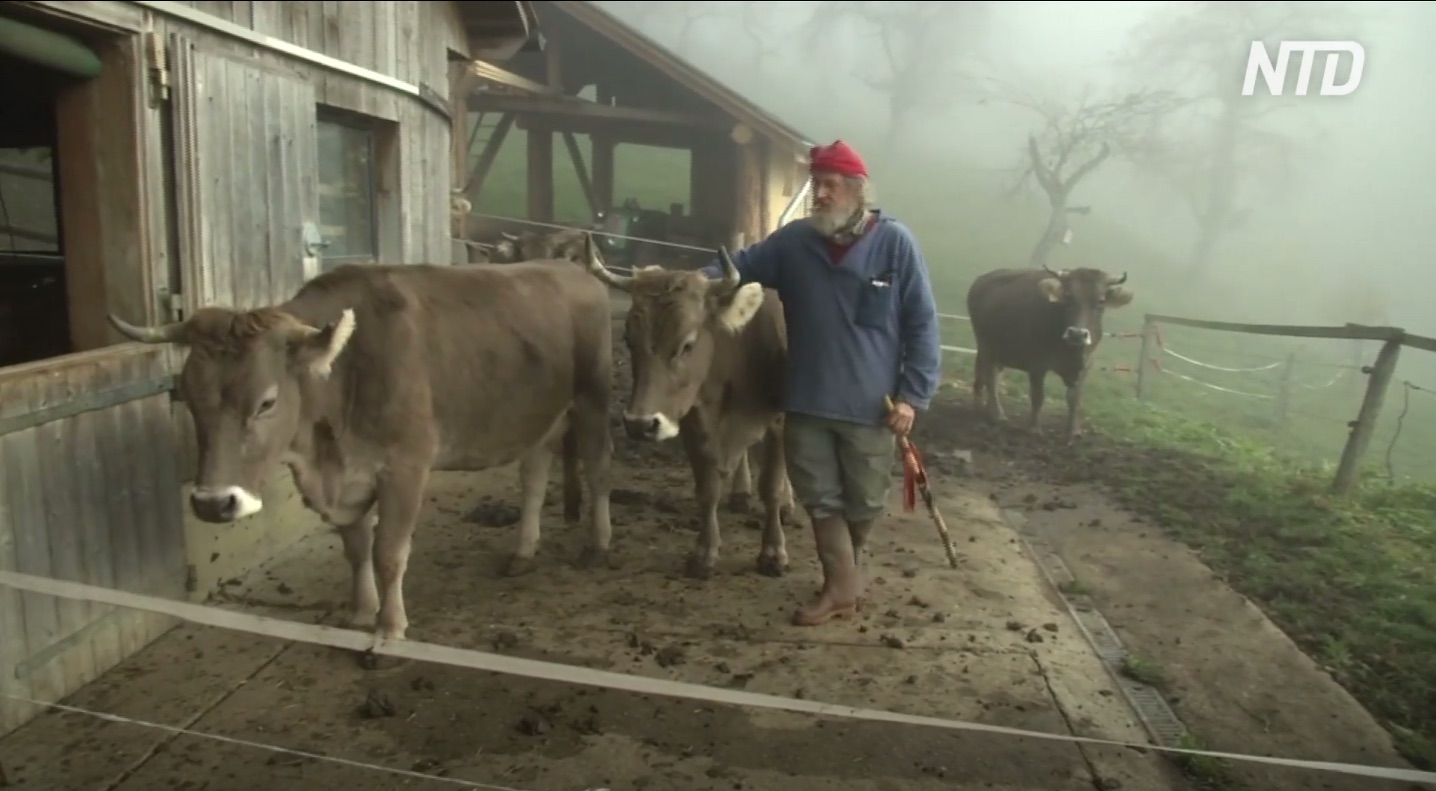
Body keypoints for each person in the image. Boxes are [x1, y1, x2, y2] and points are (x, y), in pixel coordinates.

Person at [701, 140, 942, 626]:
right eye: (817, 185)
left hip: (874, 407)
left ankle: (844, 580)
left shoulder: (895, 244)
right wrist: (686, 283)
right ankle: (839, 590)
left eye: (831, 185)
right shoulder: (793, 244)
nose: (821, 194)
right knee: (820, 498)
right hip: (808, 400)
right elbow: (738, 266)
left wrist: (914, 396)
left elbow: (922, 323)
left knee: (864, 501)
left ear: (856, 190)